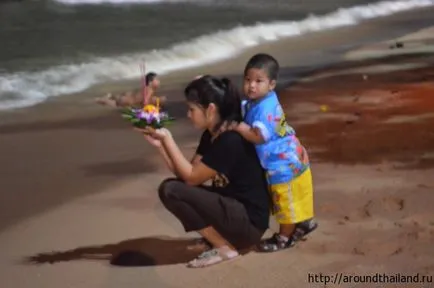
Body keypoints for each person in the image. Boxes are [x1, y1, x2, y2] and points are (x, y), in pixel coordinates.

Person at [138, 75, 271, 268]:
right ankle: (219, 240)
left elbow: (191, 178)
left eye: (192, 109)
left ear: (210, 110)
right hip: (233, 213)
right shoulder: (211, 135)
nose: (188, 115)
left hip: (248, 225)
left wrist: (168, 138)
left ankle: (223, 247)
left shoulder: (230, 140)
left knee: (170, 190)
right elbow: (186, 177)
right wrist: (161, 146)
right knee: (173, 188)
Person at [226, 53, 317, 252]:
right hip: (287, 155)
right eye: (248, 80)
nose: (251, 86)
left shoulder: (265, 107)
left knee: (285, 201)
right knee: (295, 195)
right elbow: (244, 107)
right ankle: (305, 222)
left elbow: (259, 136)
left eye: (259, 81)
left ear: (272, 84)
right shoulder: (259, 100)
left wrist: (239, 127)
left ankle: (285, 237)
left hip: (283, 163)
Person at [95, 72, 167, 108]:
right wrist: (156, 102)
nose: (159, 81)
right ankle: (101, 99)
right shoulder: (149, 89)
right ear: (151, 82)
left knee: (117, 98)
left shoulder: (146, 88)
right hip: (128, 101)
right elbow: (145, 102)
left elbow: (143, 98)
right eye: (157, 80)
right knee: (114, 103)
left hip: (128, 96)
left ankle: (110, 96)